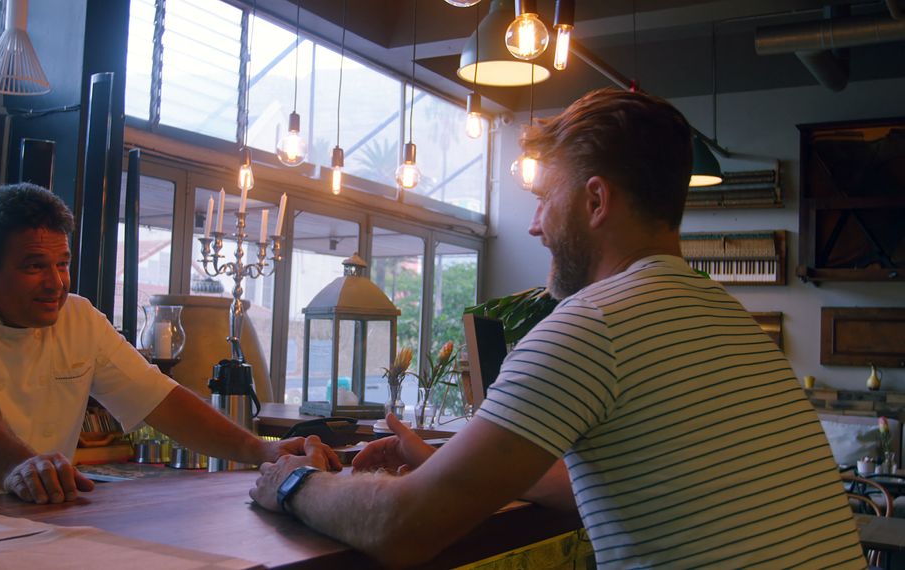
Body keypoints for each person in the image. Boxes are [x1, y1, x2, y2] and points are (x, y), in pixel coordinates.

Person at [250, 89, 864, 568]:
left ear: (595, 201)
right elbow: (622, 485)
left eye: (544, 197)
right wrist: (442, 461)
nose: (535, 224)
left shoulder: (594, 323)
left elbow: (402, 529)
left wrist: (292, 480)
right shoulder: (725, 319)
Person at [0, 183, 339, 503]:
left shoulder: (79, 318)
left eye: (62, 263)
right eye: (34, 266)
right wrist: (21, 469)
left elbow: (162, 400)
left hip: (29, 526)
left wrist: (262, 450)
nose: (55, 282)